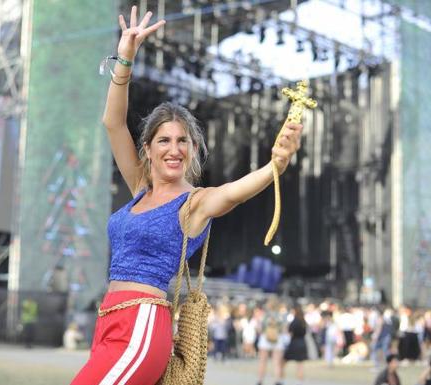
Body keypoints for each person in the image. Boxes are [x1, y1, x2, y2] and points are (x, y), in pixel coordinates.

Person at [70, 6, 303, 385]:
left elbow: (233, 194)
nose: (173, 149)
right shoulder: (139, 189)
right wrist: (126, 57)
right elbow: (113, 122)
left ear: (193, 150)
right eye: (164, 140)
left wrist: (275, 165)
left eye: (183, 141)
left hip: (143, 324)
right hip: (108, 321)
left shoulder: (193, 203)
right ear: (147, 149)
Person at [279, 305, 308, 385]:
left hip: (294, 344)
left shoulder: (294, 321)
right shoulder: (303, 321)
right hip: (302, 343)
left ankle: (281, 380)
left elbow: (289, 333)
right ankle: (300, 382)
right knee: (300, 365)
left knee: (283, 362)